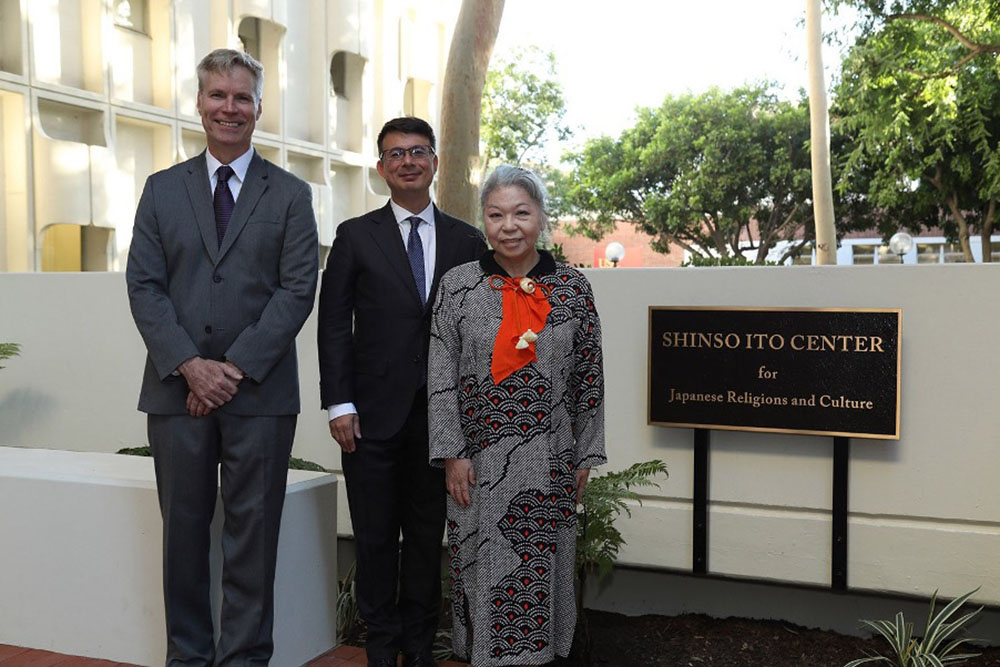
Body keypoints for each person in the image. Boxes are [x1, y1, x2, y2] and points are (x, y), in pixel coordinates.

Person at [126, 48, 318, 665]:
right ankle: (187, 657)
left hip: (259, 397)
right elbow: (144, 286)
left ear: (259, 108)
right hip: (174, 393)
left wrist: (228, 370)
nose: (229, 108)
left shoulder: (291, 195)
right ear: (200, 103)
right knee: (182, 539)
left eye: (242, 97)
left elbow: (297, 290)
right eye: (218, 95)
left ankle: (243, 660)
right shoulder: (161, 190)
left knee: (252, 541)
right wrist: (190, 365)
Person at [317, 117, 487, 667]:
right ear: (381, 168)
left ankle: (418, 649)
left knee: (423, 538)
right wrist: (339, 403)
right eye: (395, 154)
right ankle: (380, 648)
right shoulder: (355, 236)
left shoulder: (467, 240)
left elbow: (481, 331)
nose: (408, 161)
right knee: (372, 538)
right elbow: (333, 323)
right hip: (367, 418)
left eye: (418, 152)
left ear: (435, 162)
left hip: (441, 421)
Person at [428, 164, 606, 665]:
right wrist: (451, 454)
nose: (509, 226)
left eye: (521, 213)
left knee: (543, 573)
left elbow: (589, 377)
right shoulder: (458, 287)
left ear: (542, 218)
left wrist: (584, 456)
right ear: (483, 221)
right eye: (496, 214)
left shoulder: (572, 289)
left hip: (551, 463)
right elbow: (440, 376)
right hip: (476, 466)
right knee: (477, 572)